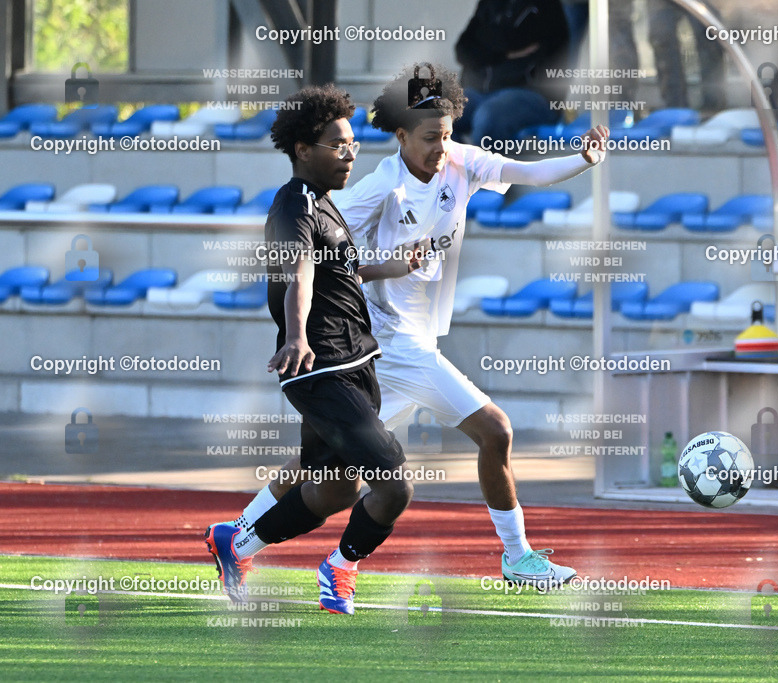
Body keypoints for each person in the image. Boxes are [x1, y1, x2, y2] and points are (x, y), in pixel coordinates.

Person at [231, 62, 608, 587]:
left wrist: (582, 160)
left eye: (449, 134)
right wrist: (384, 266)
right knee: (494, 431)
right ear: (402, 135)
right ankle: (515, 558)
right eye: (431, 137)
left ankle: (239, 535)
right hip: (390, 341)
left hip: (388, 349)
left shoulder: (462, 164)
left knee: (328, 471)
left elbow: (528, 172)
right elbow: (328, 255)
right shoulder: (380, 187)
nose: (442, 146)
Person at [204, 85, 421, 614]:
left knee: (334, 491)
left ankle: (237, 543)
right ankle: (340, 568)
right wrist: (297, 336)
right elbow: (299, 270)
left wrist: (392, 266)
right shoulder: (293, 203)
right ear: (303, 149)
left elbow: (336, 269)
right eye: (337, 144)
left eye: (352, 144)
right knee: (393, 485)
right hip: (320, 366)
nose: (350, 153)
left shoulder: (324, 205)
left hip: (355, 362)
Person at [454, 0, 570, 145]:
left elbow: (516, 39)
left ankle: (482, 167)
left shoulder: (545, 5)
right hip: (480, 93)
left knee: (487, 117)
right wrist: (503, 54)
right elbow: (462, 50)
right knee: (437, 111)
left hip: (532, 94)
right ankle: (455, 165)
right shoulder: (488, 4)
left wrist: (483, 43)